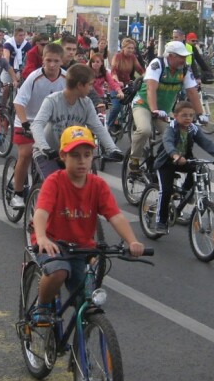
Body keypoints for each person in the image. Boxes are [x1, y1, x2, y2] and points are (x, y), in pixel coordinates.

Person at [29, 126, 145, 323]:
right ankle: (43, 305)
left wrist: (132, 241)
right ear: (63, 156)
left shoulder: (97, 185)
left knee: (86, 299)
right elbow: (41, 212)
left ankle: (81, 343)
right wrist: (41, 238)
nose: (82, 160)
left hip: (82, 248)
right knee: (59, 271)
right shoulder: (54, 182)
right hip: (53, 243)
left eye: (87, 154)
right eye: (75, 155)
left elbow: (115, 216)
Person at [30, 62, 122, 180]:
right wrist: (44, 148)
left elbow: (97, 127)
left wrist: (112, 149)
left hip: (73, 153)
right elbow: (37, 124)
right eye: (89, 85)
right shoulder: (52, 101)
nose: (91, 89)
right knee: (56, 185)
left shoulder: (87, 102)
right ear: (79, 85)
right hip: (49, 153)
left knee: (86, 185)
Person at [151, 100, 214, 234]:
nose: (188, 118)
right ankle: (161, 222)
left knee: (200, 169)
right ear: (175, 116)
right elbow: (168, 143)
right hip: (167, 163)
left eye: (191, 115)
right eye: (184, 115)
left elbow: (206, 142)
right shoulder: (171, 129)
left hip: (185, 160)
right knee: (166, 191)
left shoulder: (193, 129)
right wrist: (175, 156)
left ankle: (185, 192)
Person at [129, 41, 204, 174]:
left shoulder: (184, 69)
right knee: (145, 130)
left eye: (185, 56)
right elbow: (151, 89)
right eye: (181, 56)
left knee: (175, 134)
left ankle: (164, 162)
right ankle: (134, 159)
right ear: (170, 56)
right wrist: (154, 110)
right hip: (144, 104)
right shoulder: (157, 65)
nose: (184, 59)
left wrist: (201, 114)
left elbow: (192, 92)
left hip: (164, 109)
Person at [10, 42, 66, 208]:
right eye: (48, 60)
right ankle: (18, 193)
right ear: (43, 60)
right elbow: (19, 102)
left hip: (50, 122)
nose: (52, 64)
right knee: (26, 153)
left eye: (56, 61)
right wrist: (26, 124)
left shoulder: (66, 77)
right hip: (27, 119)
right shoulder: (34, 77)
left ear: (61, 61)